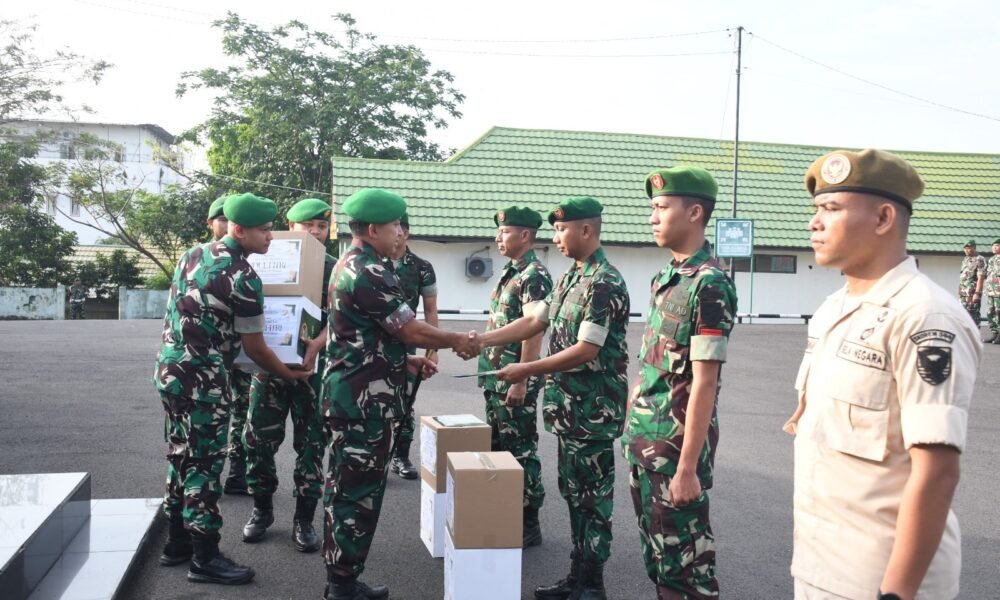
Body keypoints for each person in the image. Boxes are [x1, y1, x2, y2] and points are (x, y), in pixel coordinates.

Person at [790, 149, 981, 600]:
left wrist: (896, 592)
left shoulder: (925, 316)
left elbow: (937, 472)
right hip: (820, 566)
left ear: (882, 218)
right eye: (816, 210)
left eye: (831, 209)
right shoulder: (835, 308)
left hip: (880, 578)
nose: (814, 223)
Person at [320, 188, 480, 600]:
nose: (401, 233)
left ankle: (342, 577)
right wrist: (457, 340)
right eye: (395, 226)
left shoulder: (351, 263)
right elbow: (409, 328)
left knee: (347, 487)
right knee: (356, 494)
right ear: (373, 229)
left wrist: (404, 361)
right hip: (363, 404)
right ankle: (342, 584)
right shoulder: (370, 271)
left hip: (355, 393)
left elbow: (362, 335)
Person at [469, 196, 630, 600]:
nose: (555, 237)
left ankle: (591, 583)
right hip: (569, 409)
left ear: (586, 230)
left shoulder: (604, 282)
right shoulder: (570, 278)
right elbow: (534, 322)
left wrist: (526, 370)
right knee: (573, 493)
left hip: (592, 411)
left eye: (561, 230)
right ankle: (577, 576)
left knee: (592, 499)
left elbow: (586, 350)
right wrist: (479, 340)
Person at [153, 192, 313, 586]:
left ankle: (176, 543)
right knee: (204, 466)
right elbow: (256, 348)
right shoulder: (244, 277)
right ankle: (205, 557)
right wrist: (289, 373)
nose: (271, 237)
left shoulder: (192, 254)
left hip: (170, 375)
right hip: (204, 384)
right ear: (239, 230)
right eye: (263, 230)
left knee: (179, 456)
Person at [622, 167, 737, 599]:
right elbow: (652, 364)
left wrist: (687, 468)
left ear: (694, 213)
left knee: (686, 571)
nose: (653, 217)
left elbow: (705, 382)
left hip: (674, 452)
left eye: (662, 207)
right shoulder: (667, 278)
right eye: (652, 208)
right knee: (659, 560)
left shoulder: (709, 284)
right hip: (645, 443)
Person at [241, 198, 336, 552]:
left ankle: (304, 519)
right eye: (307, 226)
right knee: (258, 441)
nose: (315, 232)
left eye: (321, 227)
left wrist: (318, 343)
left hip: (312, 371)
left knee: (311, 444)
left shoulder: (334, 267)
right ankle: (261, 510)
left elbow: (342, 317)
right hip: (268, 369)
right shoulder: (262, 259)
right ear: (291, 228)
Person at [477, 205, 552, 547]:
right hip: (497, 378)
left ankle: (528, 522)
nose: (498, 237)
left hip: (514, 379)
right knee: (498, 447)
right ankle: (505, 513)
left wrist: (521, 379)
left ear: (525, 235)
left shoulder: (534, 275)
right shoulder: (512, 272)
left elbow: (534, 330)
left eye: (505, 232)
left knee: (520, 450)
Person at [204, 194, 253, 496]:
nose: (227, 224)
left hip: (244, 352)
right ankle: (208, 479)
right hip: (214, 356)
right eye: (222, 219)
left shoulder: (251, 258)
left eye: (231, 219)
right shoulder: (200, 257)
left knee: (244, 411)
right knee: (212, 417)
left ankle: (238, 472)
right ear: (210, 223)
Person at [386, 211, 439, 480]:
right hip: (376, 342)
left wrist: (433, 350)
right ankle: (377, 457)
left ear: (405, 232)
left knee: (405, 399)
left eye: (397, 227)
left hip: (407, 343)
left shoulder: (422, 267)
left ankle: (401, 456)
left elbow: (431, 310)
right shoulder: (375, 263)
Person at [958, 239, 986, 324]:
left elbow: (981, 277)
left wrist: (977, 293)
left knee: (972, 314)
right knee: (962, 314)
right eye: (965, 248)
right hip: (963, 293)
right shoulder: (965, 259)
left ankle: (975, 331)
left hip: (972, 293)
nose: (966, 250)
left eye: (969, 248)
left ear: (974, 248)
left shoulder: (979, 259)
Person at [984, 238, 1000, 343]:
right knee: (990, 312)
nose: (994, 248)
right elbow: (989, 275)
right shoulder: (991, 260)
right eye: (993, 246)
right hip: (991, 290)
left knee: (999, 311)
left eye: (997, 245)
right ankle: (994, 333)